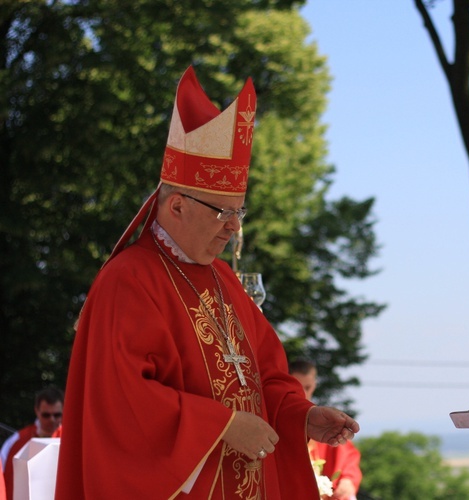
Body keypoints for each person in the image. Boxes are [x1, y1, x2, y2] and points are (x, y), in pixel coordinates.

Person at [55, 66, 359, 499]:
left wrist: (299, 415)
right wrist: (223, 426)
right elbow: (122, 404)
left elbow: (262, 376)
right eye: (223, 213)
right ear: (176, 205)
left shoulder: (223, 279)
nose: (234, 228)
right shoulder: (127, 280)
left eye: (239, 212)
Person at [289, 360, 362, 500]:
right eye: (297, 387)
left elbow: (348, 457)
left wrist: (347, 480)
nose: (303, 394)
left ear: (315, 385)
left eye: (307, 387)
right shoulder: (274, 421)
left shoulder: (321, 425)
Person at [1, 387, 64, 499]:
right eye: (46, 415)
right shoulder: (17, 441)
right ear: (37, 411)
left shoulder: (69, 441)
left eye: (57, 415)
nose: (52, 420)